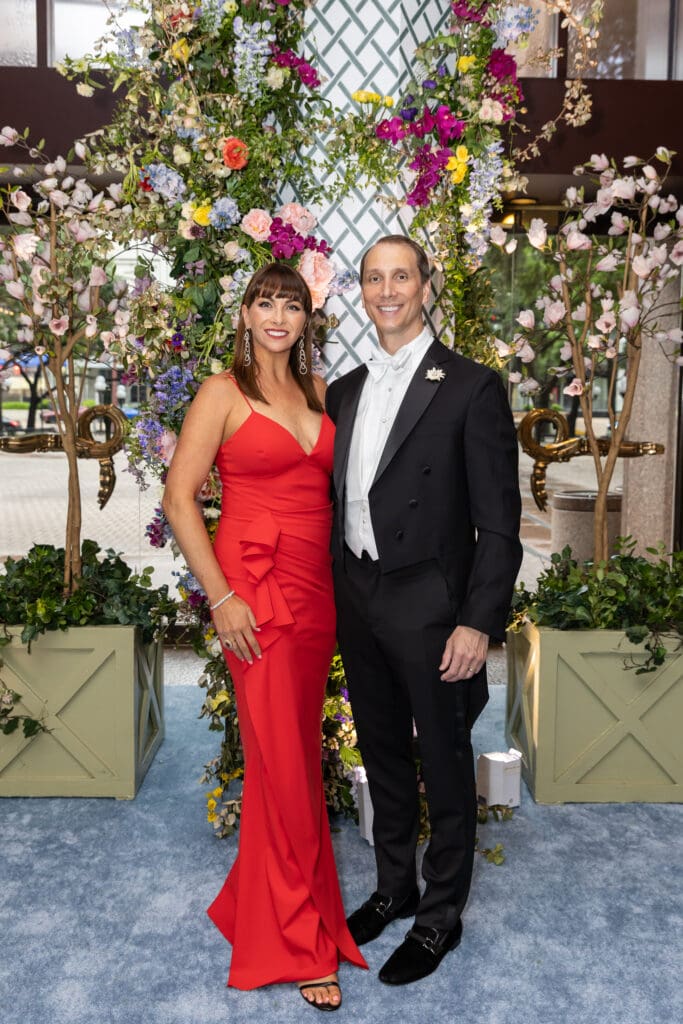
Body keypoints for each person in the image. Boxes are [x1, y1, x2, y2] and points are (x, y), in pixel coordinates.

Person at [162, 263, 367, 1010]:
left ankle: (254, 899)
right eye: (264, 301)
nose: (278, 315)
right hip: (254, 596)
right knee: (284, 764)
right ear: (244, 313)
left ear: (307, 318)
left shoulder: (317, 393)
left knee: (295, 753)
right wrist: (220, 596)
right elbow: (179, 499)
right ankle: (302, 940)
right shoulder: (222, 393)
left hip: (318, 597)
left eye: (292, 303)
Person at [326, 235, 522, 986]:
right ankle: (393, 887)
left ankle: (441, 917)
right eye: (373, 277)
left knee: (441, 765)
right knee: (378, 751)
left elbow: (498, 525)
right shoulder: (344, 389)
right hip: (360, 595)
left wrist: (477, 622)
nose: (385, 290)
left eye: (399, 275)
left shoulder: (472, 386)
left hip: (433, 605)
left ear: (424, 285)